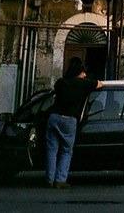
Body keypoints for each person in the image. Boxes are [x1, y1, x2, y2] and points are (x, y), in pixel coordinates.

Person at [46, 57, 102, 188]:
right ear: (79, 73)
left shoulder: (60, 82)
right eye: (83, 73)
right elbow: (99, 84)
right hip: (69, 119)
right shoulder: (83, 83)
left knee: (52, 149)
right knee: (66, 150)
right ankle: (60, 180)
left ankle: (49, 179)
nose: (85, 75)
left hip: (54, 117)